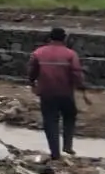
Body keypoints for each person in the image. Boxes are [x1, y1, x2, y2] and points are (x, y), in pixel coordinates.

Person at [29, 26, 84, 160]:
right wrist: (81, 86)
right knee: (70, 116)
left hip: (47, 94)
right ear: (64, 39)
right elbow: (76, 73)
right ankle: (68, 145)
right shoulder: (71, 54)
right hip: (65, 93)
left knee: (50, 122)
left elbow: (32, 72)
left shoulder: (38, 53)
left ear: (50, 38)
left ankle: (55, 153)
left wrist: (32, 83)